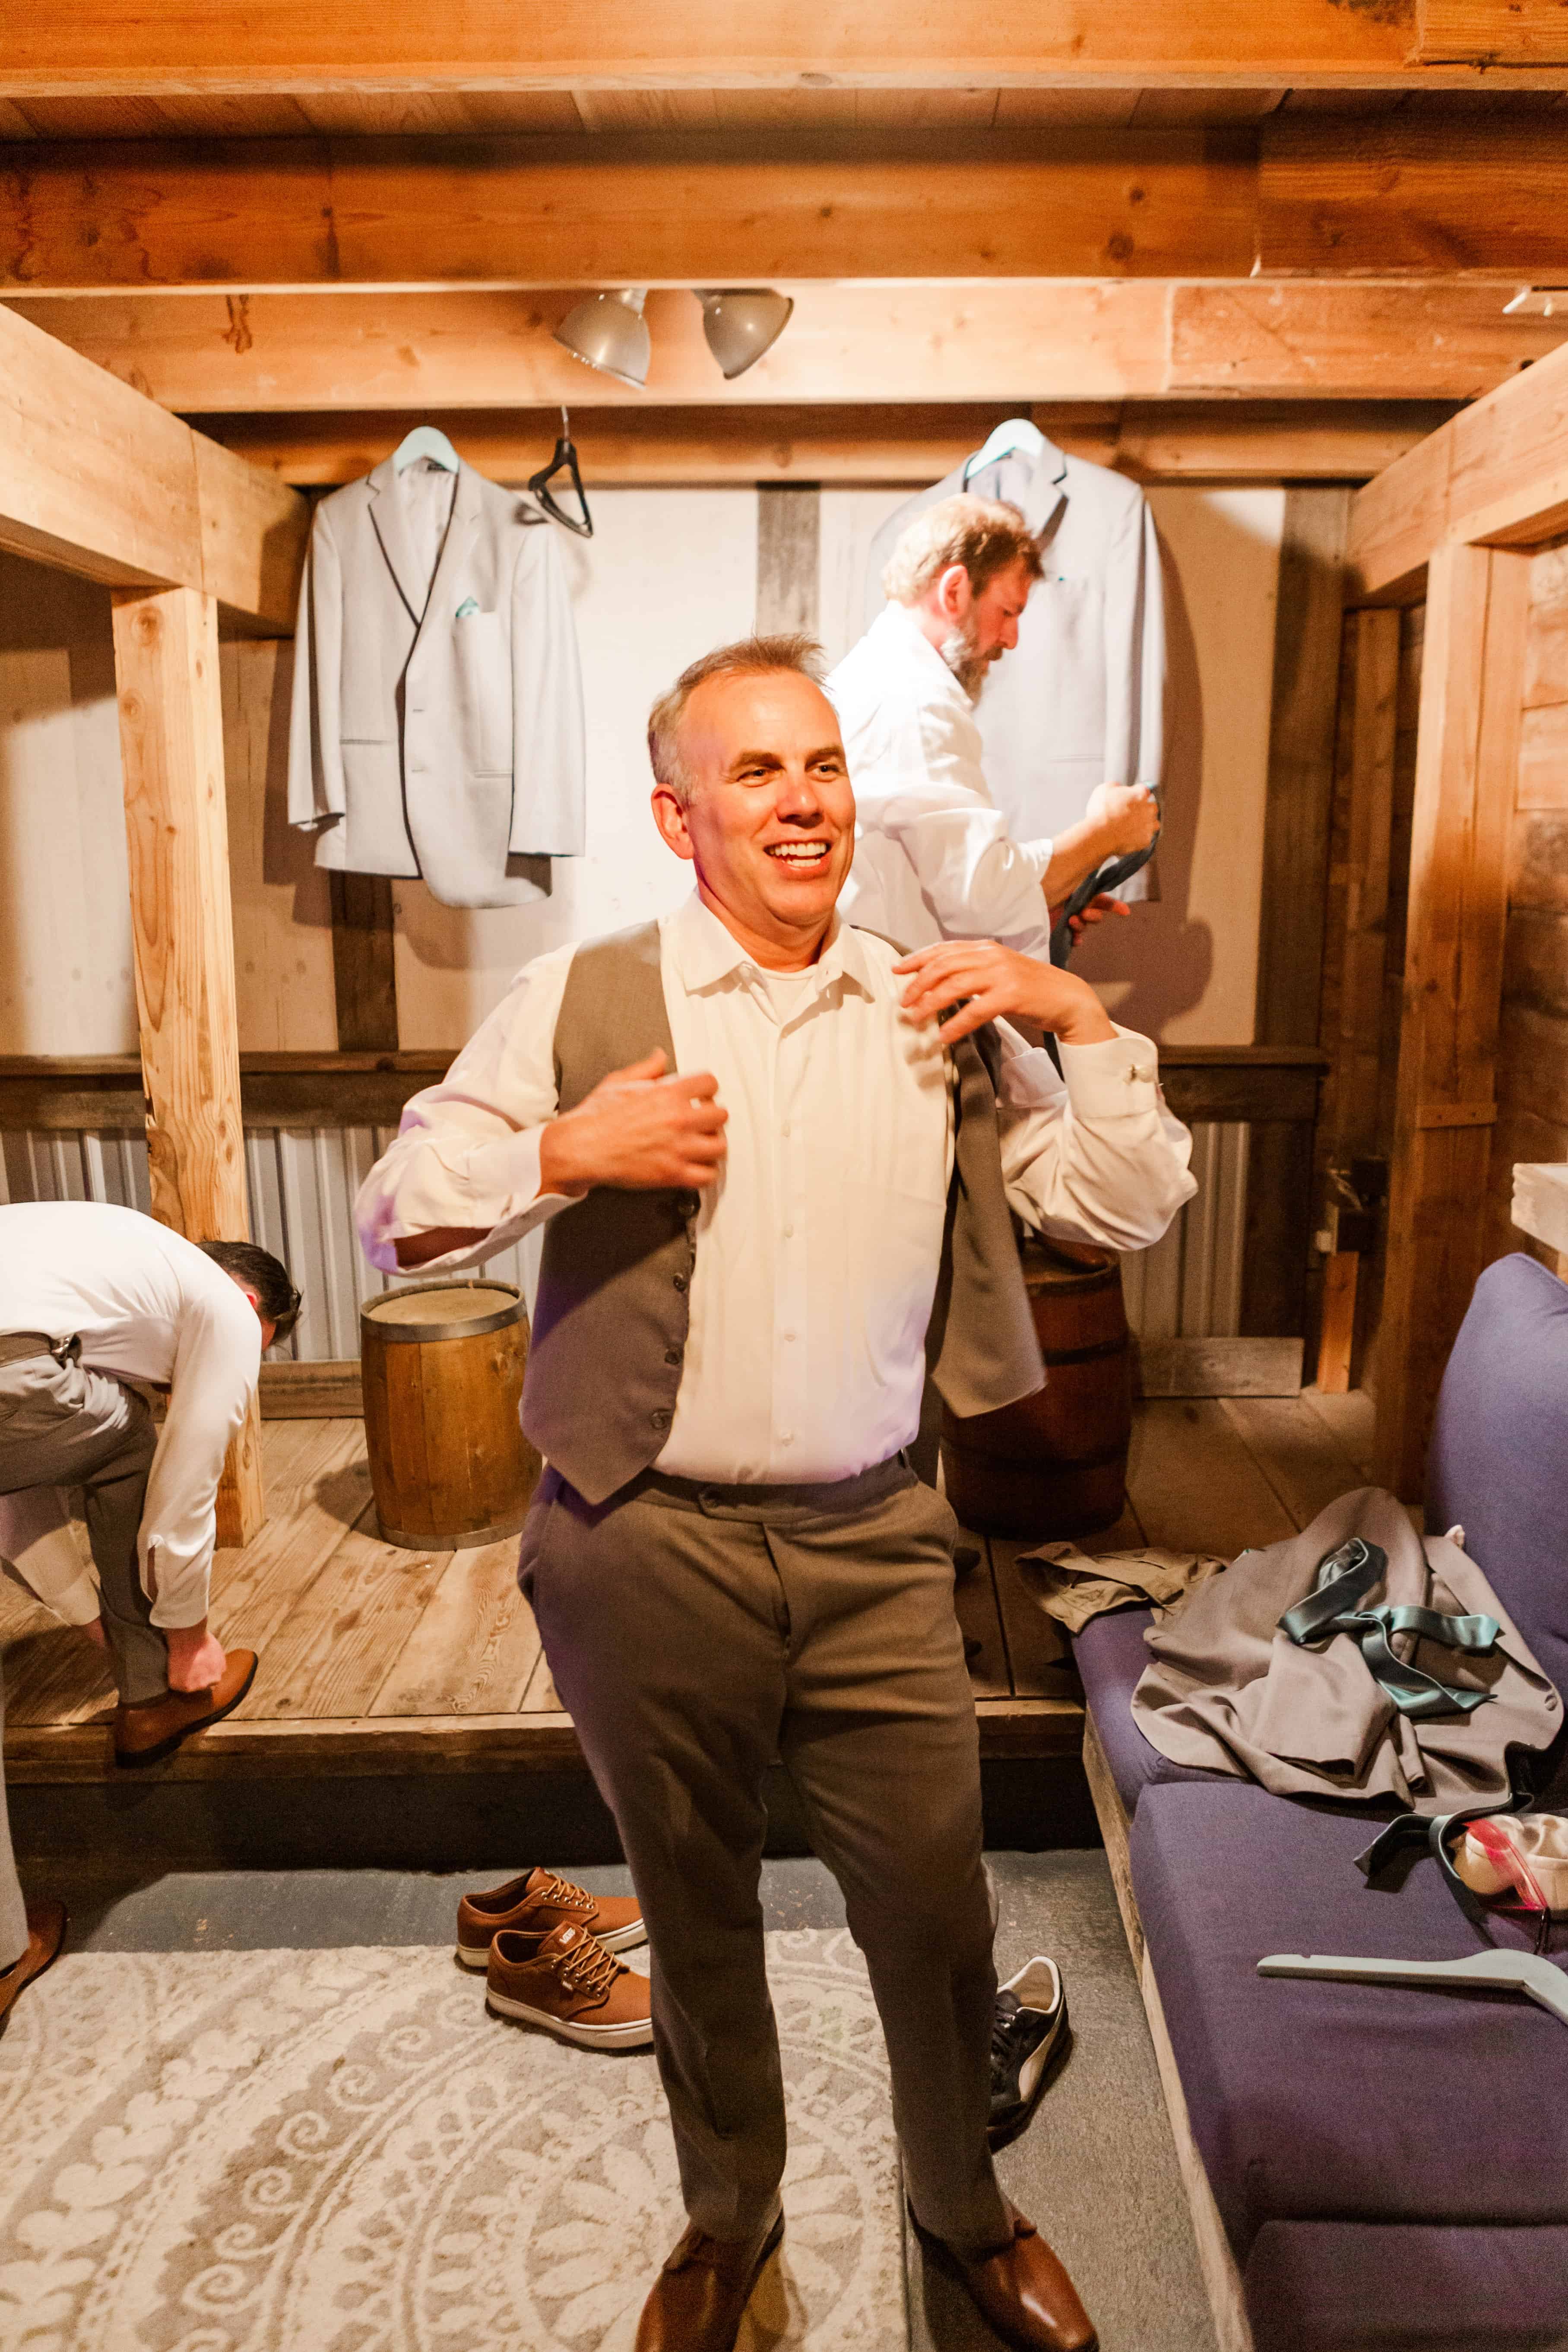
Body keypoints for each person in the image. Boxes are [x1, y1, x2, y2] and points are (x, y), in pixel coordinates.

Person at [356, 634, 1195, 2352]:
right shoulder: (585, 997)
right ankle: (729, 2214)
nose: (805, 799)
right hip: (639, 1540)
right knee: (692, 1908)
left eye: (822, 765)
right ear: (680, 814)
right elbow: (396, 1210)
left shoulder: (933, 1001)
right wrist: (562, 1150)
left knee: (936, 1910)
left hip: (880, 1538)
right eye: (757, 770)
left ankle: (962, 2205)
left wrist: (1082, 1017)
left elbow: (1115, 1203)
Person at [0, 1203, 298, 2028]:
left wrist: (86, 1616)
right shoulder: (224, 1310)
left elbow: (11, 1490)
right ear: (250, 1304)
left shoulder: (87, 1259)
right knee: (132, 1438)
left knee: (99, 1423)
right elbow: (186, 1482)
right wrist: (190, 1638)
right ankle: (154, 1695)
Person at [830, 494, 1160, 964]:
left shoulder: (875, 675)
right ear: (954, 591)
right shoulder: (916, 702)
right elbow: (981, 895)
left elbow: (939, 882)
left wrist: (1046, 899)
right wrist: (1107, 833)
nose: (1011, 639)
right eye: (1007, 612)